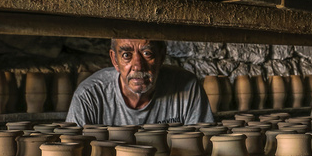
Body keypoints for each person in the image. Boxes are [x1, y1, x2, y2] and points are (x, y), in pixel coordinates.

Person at [66, 38, 214, 127]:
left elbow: (203, 147)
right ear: (115, 60)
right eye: (126, 55)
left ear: (162, 56)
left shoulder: (187, 86)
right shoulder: (89, 95)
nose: (138, 66)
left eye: (147, 53)